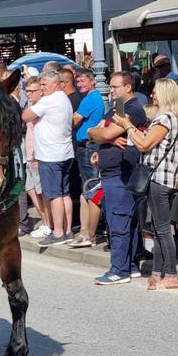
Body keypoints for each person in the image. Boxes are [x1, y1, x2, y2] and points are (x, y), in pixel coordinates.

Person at [113, 79, 178, 290]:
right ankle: (157, 272)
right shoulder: (169, 117)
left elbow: (144, 144)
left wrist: (127, 126)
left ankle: (170, 275)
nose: (152, 95)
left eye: (155, 91)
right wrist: (131, 127)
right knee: (156, 227)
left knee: (162, 228)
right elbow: (147, 140)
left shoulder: (165, 118)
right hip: (159, 177)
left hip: (160, 178)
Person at [88, 71, 148, 285]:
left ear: (128, 87)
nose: (110, 91)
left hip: (121, 174)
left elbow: (103, 133)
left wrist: (105, 136)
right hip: (112, 171)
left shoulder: (132, 108)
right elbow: (95, 131)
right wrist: (107, 139)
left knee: (119, 222)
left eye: (115, 87)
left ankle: (119, 269)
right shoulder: (119, 107)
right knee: (124, 221)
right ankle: (130, 265)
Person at [22, 70, 74, 246]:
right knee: (64, 193)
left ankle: (58, 232)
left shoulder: (49, 100)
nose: (42, 88)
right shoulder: (63, 98)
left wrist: (36, 113)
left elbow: (25, 115)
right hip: (64, 153)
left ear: (55, 84)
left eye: (44, 85)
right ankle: (67, 230)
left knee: (54, 195)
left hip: (51, 155)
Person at [68, 68, 105, 248]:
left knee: (91, 188)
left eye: (83, 81)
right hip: (85, 146)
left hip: (89, 146)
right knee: (86, 189)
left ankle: (91, 233)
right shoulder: (88, 98)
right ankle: (84, 231)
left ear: (92, 82)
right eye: (78, 81)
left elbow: (74, 120)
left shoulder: (91, 99)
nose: (80, 84)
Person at [22, 76, 53, 239]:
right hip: (29, 154)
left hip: (36, 155)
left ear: (40, 91)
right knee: (31, 189)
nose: (28, 94)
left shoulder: (41, 107)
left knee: (41, 192)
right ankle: (45, 221)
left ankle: (49, 224)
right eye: (26, 91)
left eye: (32, 91)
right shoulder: (31, 105)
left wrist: (35, 157)